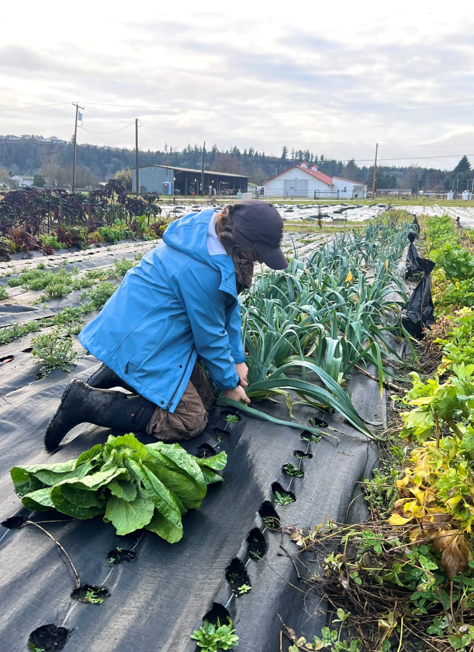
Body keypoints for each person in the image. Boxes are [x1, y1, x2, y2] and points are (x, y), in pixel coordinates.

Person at [44, 201, 288, 451]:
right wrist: (229, 385)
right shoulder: (203, 271)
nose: (258, 261)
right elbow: (210, 337)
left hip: (155, 330)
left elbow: (229, 305)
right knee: (190, 420)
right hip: (144, 338)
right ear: (242, 242)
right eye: (257, 254)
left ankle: (120, 372)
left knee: (206, 400)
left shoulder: (213, 231)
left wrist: (236, 358)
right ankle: (84, 402)